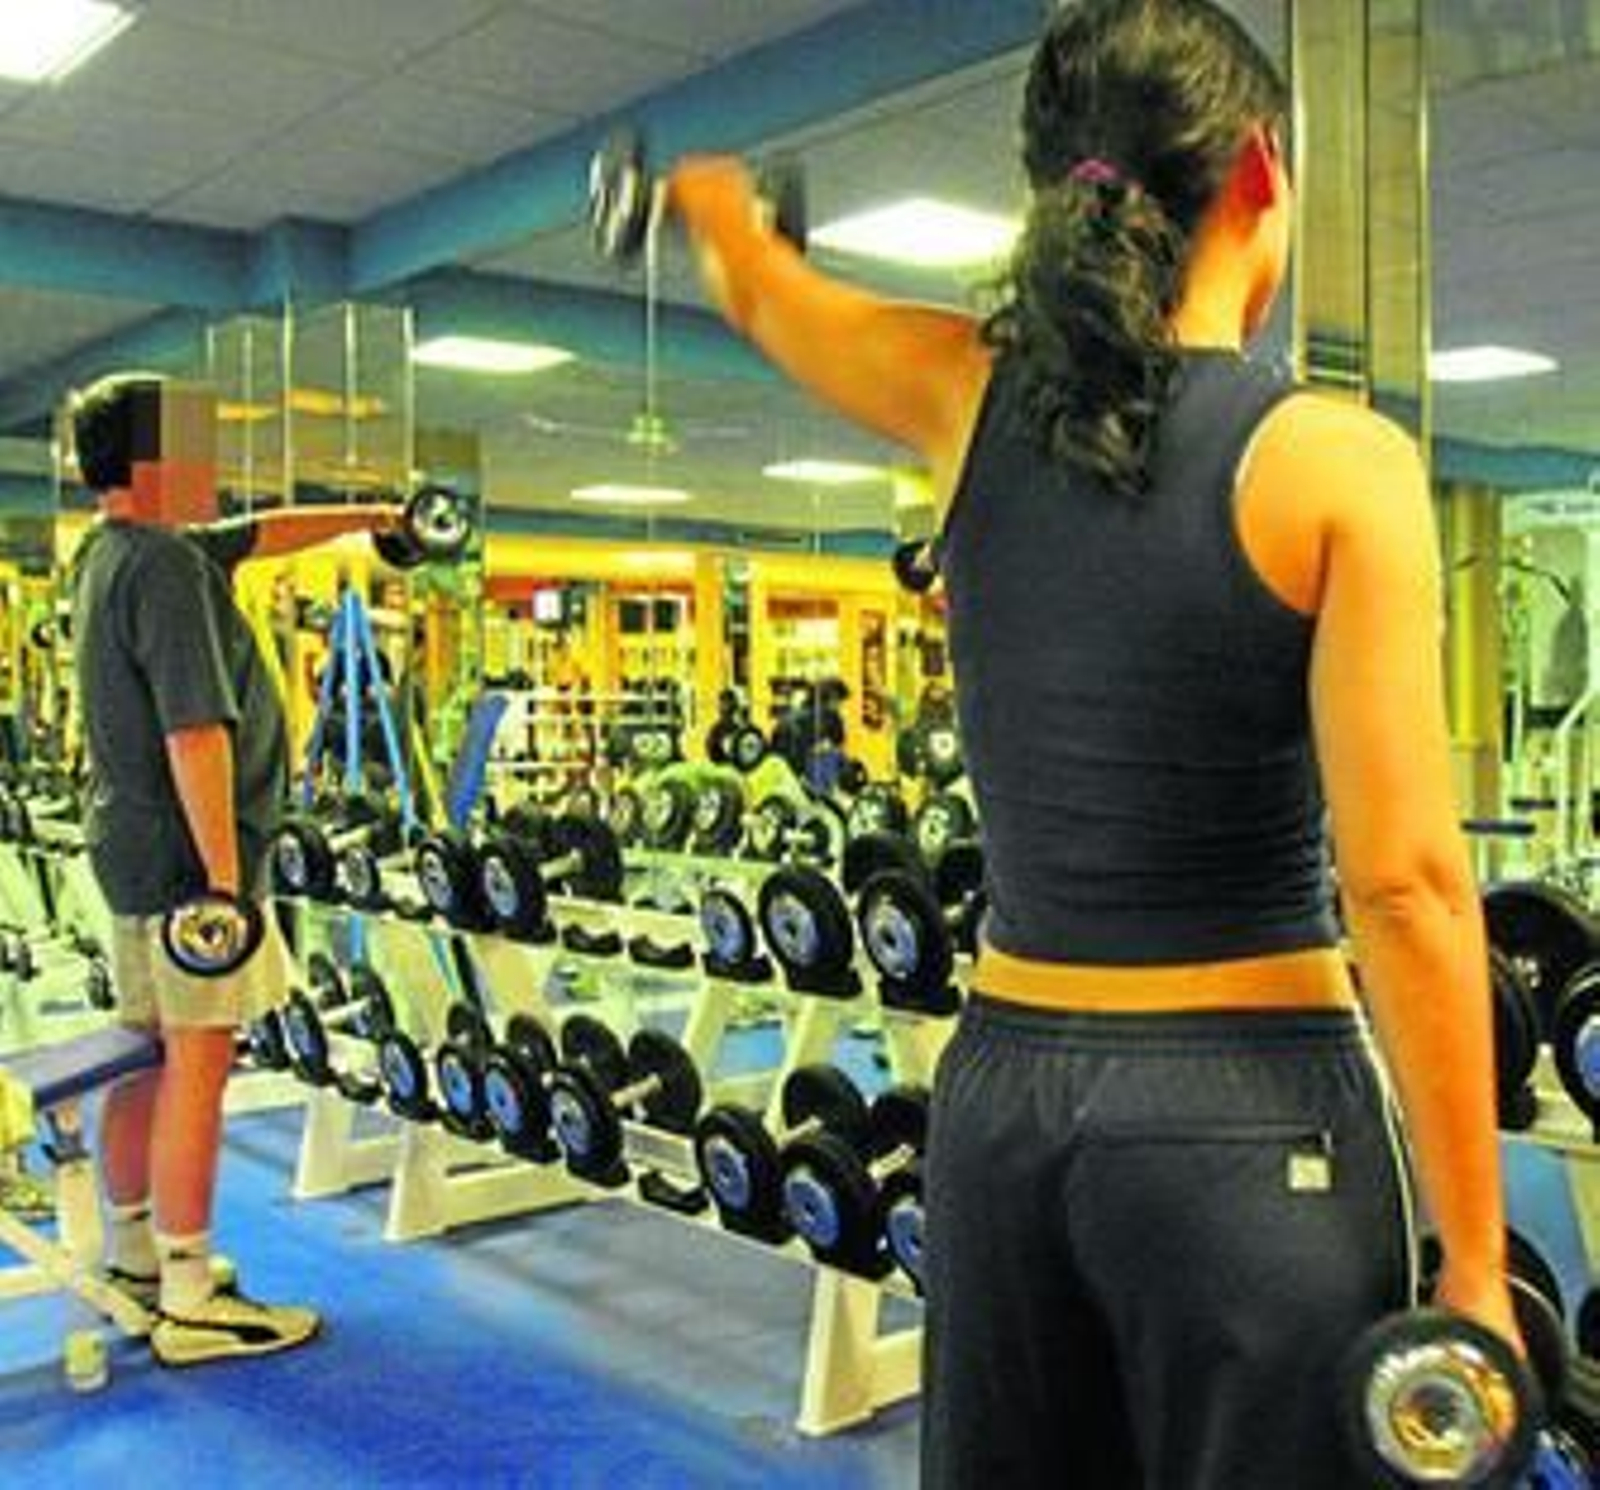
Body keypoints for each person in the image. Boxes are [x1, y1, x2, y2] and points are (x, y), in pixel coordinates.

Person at [666, 2, 1516, 1484]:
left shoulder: (959, 396)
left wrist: (716, 214)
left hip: (1002, 1115)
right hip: (1245, 1118)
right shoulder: (1334, 460)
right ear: (1262, 171)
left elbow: (764, 293)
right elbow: (1408, 890)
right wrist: (1476, 1261)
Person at [68, 372, 405, 1366]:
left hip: (129, 853)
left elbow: (265, 530)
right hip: (185, 866)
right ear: (152, 462)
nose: (214, 472)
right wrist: (225, 882)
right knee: (197, 1067)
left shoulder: (109, 552)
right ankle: (187, 1292)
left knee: (142, 1050)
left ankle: (132, 1246)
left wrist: (374, 517)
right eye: (197, 450)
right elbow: (195, 733)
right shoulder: (167, 568)